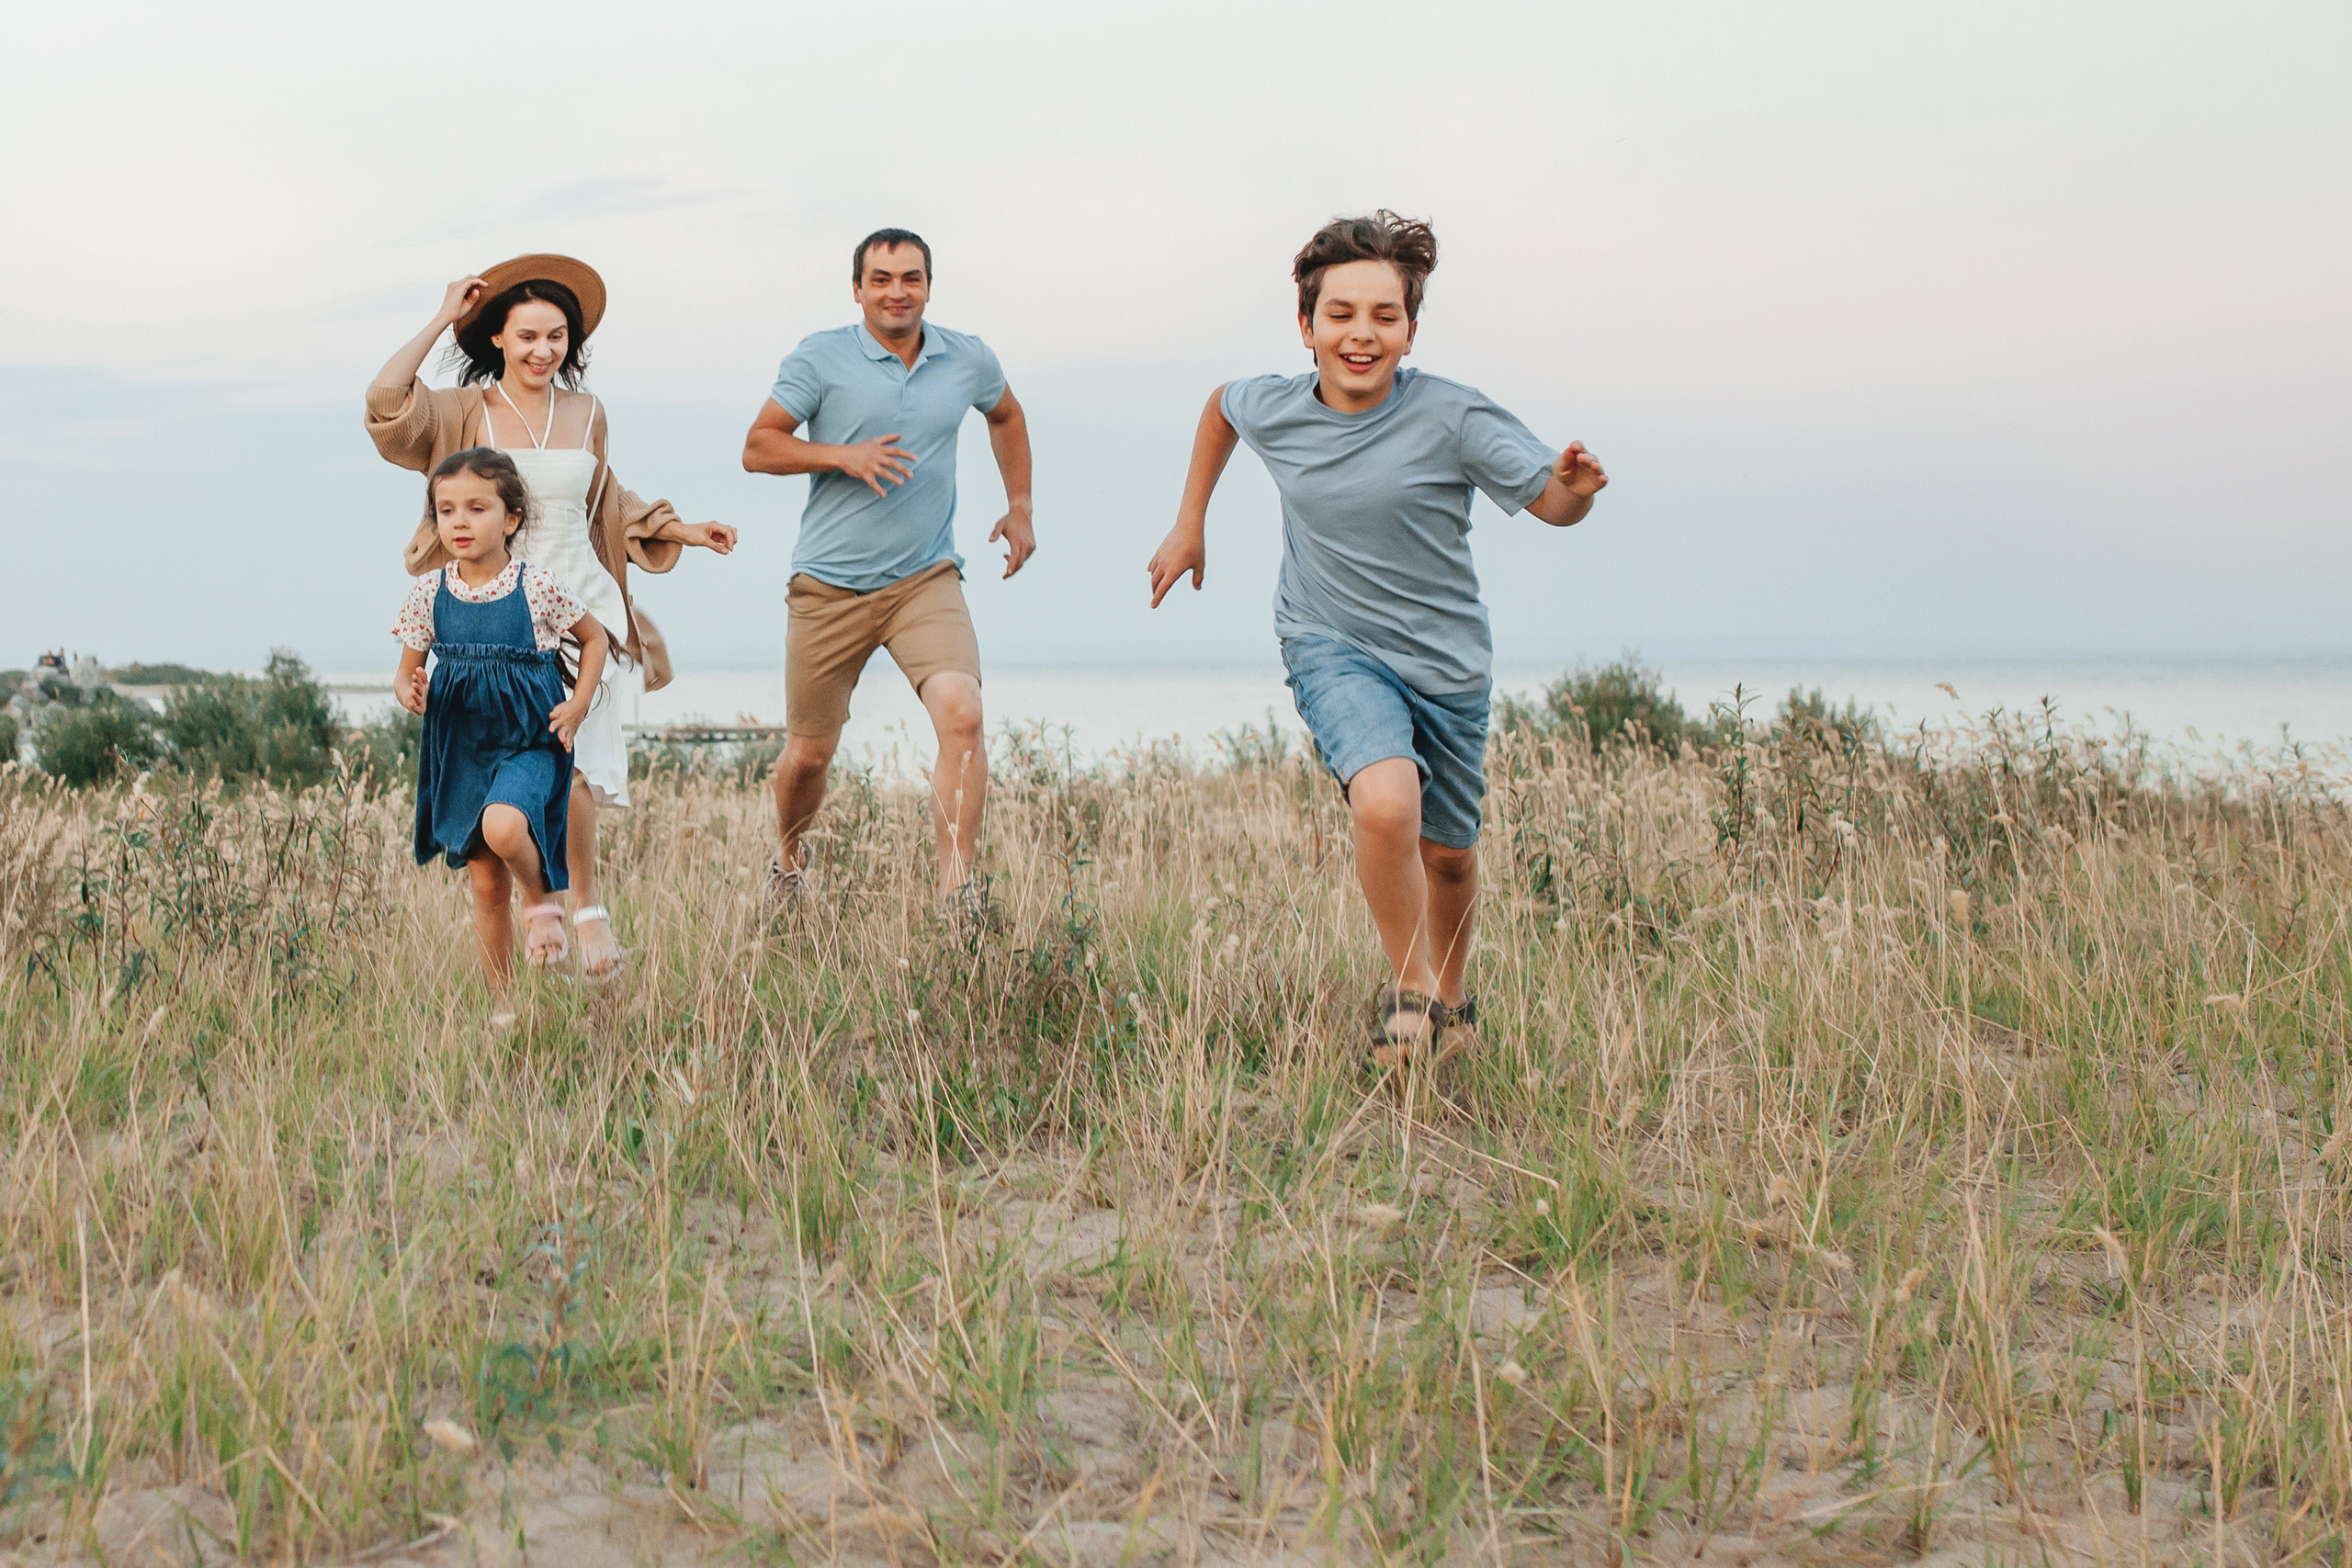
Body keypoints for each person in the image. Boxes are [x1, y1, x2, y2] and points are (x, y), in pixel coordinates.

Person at [1147, 211, 1611, 1066]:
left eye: (1384, 316)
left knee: (1451, 856)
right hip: (1329, 640)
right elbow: (1220, 409)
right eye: (1341, 314)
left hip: (1446, 663)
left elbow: (1550, 501)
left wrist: (1576, 490)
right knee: (1386, 802)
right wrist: (1189, 525)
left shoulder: (1453, 416)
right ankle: (1411, 993)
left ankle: (1455, 1002)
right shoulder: (1275, 405)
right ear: (1306, 325)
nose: (1361, 333)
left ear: (1410, 330)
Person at [368, 254, 736, 978]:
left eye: (557, 337)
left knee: (577, 760)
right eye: (528, 336)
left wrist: (682, 528)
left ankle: (587, 912)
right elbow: (385, 401)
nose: (544, 352)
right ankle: (545, 905)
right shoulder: (457, 412)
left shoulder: (589, 412)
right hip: (502, 610)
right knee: (528, 768)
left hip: (578, 600)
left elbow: (606, 501)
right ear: (498, 339)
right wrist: (444, 314)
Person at [741, 228, 1035, 925]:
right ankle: (787, 868)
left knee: (963, 715)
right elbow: (759, 447)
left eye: (910, 277)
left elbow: (1007, 414)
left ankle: (956, 897)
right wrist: (844, 457)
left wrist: (1020, 505)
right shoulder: (820, 358)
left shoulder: (967, 358)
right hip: (828, 586)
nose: (896, 291)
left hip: (924, 578)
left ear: (929, 285)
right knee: (809, 756)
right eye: (881, 278)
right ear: (857, 289)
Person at [392, 449, 609, 1016]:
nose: (458, 522)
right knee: (486, 886)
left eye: (476, 508)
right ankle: (506, 1011)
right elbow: (407, 670)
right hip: (461, 751)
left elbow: (595, 639)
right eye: (445, 510)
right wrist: (410, 691)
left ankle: (543, 902)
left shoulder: (535, 587)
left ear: (511, 519)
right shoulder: (428, 594)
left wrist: (579, 705)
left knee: (506, 824)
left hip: (529, 742)